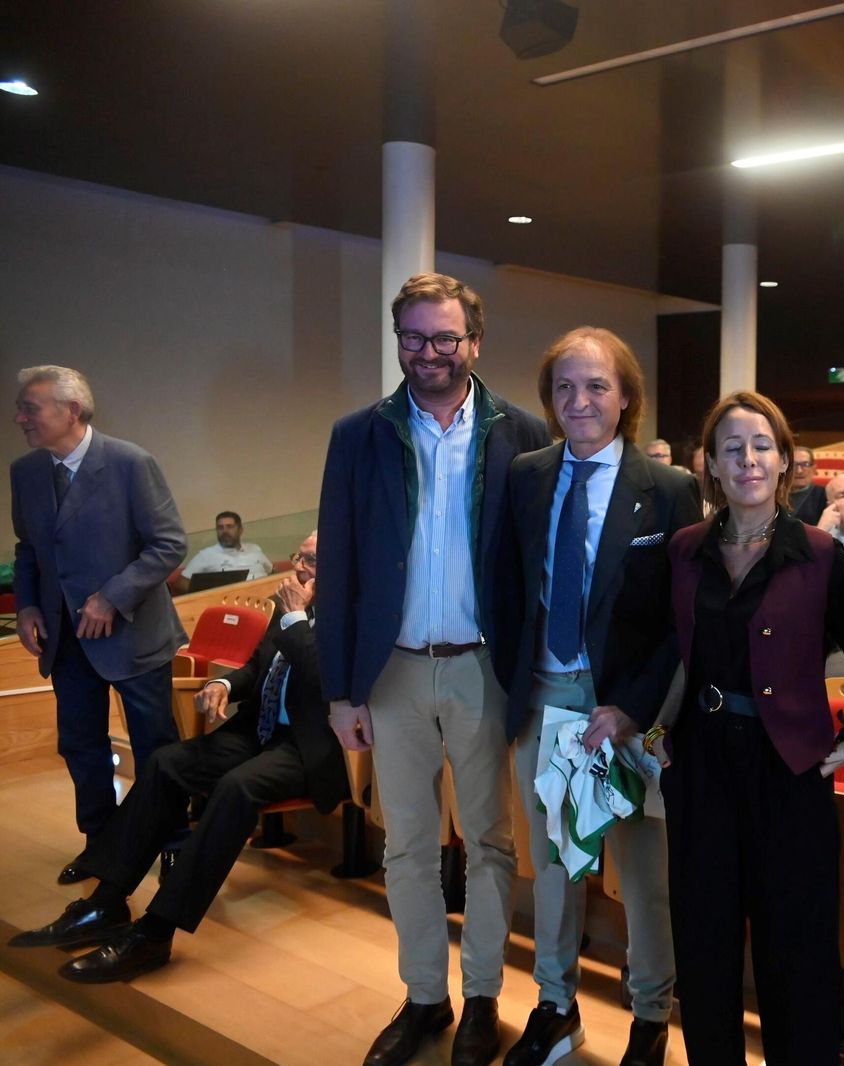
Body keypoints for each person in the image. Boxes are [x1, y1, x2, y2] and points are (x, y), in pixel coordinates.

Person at [317, 272, 551, 1066]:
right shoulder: (360, 435)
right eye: (413, 337)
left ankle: (482, 997)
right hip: (393, 673)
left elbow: (533, 569)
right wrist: (339, 688)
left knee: (489, 841)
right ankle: (425, 997)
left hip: (485, 668)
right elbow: (341, 564)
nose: (428, 353)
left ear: (474, 343)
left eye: (444, 338)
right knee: (408, 845)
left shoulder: (519, 432)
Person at [9, 534, 348, 980]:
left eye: (312, 560)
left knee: (235, 788)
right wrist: (225, 685)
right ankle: (105, 903)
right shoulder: (289, 607)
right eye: (300, 556)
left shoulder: (351, 615)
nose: (299, 566)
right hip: (259, 729)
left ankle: (155, 932)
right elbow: (258, 665)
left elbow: (325, 680)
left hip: (309, 746)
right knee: (167, 762)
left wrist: (298, 618)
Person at [500, 327, 700, 1066]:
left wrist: (635, 711)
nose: (579, 400)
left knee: (644, 879)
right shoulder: (525, 476)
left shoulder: (669, 489)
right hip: (546, 699)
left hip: (625, 712)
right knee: (556, 869)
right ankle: (555, 1008)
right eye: (565, 387)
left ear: (625, 398)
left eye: (596, 386)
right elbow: (509, 590)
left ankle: (650, 1017)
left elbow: (686, 624)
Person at [659, 390, 844, 1065]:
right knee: (704, 943)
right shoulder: (685, 550)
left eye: (761, 446)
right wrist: (652, 732)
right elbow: (664, 652)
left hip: (792, 769)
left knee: (797, 950)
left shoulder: (818, 553)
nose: (747, 459)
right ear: (711, 467)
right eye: (731, 448)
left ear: (784, 461)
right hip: (700, 766)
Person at [10, 364, 186, 885]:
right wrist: (26, 607)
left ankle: (174, 843)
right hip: (66, 640)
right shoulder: (26, 472)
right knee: (80, 744)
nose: (19, 417)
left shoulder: (131, 462)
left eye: (29, 407)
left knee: (156, 747)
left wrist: (112, 597)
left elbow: (170, 545)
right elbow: (28, 551)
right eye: (20, 407)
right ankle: (101, 845)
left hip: (133, 634)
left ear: (72, 410)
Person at [174, 510, 274, 591]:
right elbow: (181, 582)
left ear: (240, 530)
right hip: (232, 604)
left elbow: (272, 572)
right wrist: (209, 594)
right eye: (220, 528)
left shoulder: (254, 549)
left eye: (229, 527)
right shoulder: (207, 555)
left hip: (266, 599)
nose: (225, 531)